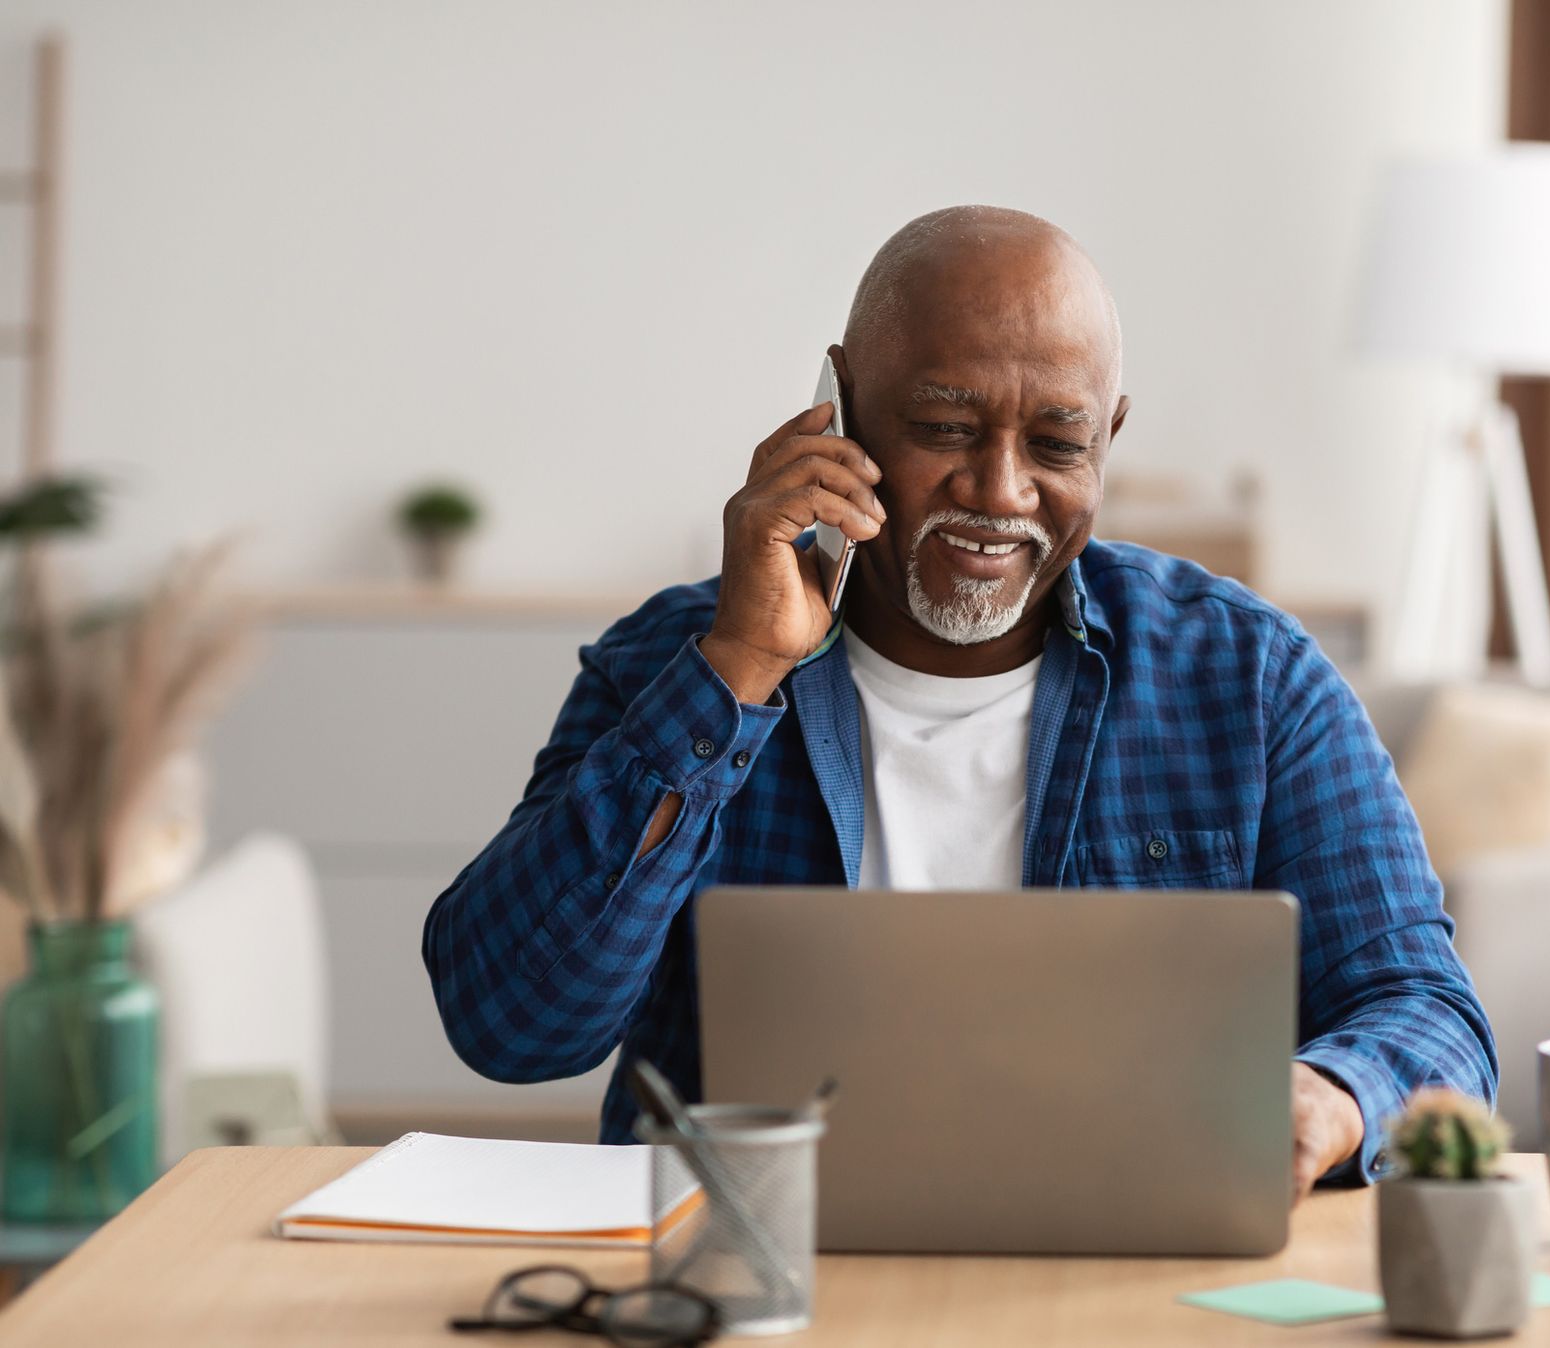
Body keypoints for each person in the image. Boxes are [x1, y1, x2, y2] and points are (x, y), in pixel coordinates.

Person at [422, 204, 1496, 1200]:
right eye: (945, 426)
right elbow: (510, 1026)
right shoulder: (672, 662)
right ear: (837, 410)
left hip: (1118, 1277)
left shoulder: (1249, 677)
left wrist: (1336, 1093)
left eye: (1058, 444)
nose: (1001, 490)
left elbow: (1430, 1011)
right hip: (752, 1272)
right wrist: (739, 666)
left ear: (1109, 436)